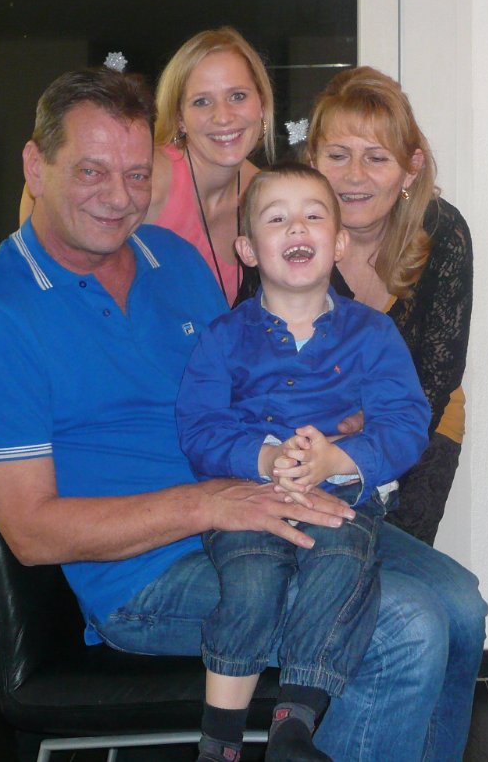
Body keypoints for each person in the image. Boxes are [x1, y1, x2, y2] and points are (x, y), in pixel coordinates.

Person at [0, 66, 486, 762]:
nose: (118, 197)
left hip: (268, 500)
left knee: (460, 605)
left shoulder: (172, 260)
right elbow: (31, 533)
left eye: (137, 175)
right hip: (148, 569)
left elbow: (249, 380)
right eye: (91, 172)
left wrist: (336, 426)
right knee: (404, 628)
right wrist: (210, 503)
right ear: (34, 166)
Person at [177, 164, 430, 762]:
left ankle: (294, 724)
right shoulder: (222, 337)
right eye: (277, 218)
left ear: (338, 243)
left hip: (338, 493)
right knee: (251, 580)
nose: (297, 227)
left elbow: (405, 422)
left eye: (314, 215)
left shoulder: (374, 334)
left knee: (341, 562)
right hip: (247, 493)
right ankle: (219, 742)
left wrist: (338, 456)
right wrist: (265, 457)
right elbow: (199, 427)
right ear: (247, 249)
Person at [307, 67, 474, 547]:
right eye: (338, 155)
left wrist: (374, 430)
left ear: (411, 167)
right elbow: (253, 347)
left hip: (420, 419)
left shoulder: (442, 231)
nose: (354, 175)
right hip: (311, 422)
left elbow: (438, 374)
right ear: (313, 159)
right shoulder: (288, 229)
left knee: (394, 562)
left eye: (376, 157)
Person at [20, 26, 272, 306]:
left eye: (238, 96)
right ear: (179, 118)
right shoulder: (147, 176)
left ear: (261, 103)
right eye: (202, 101)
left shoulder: (268, 194)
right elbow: (46, 186)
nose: (223, 116)